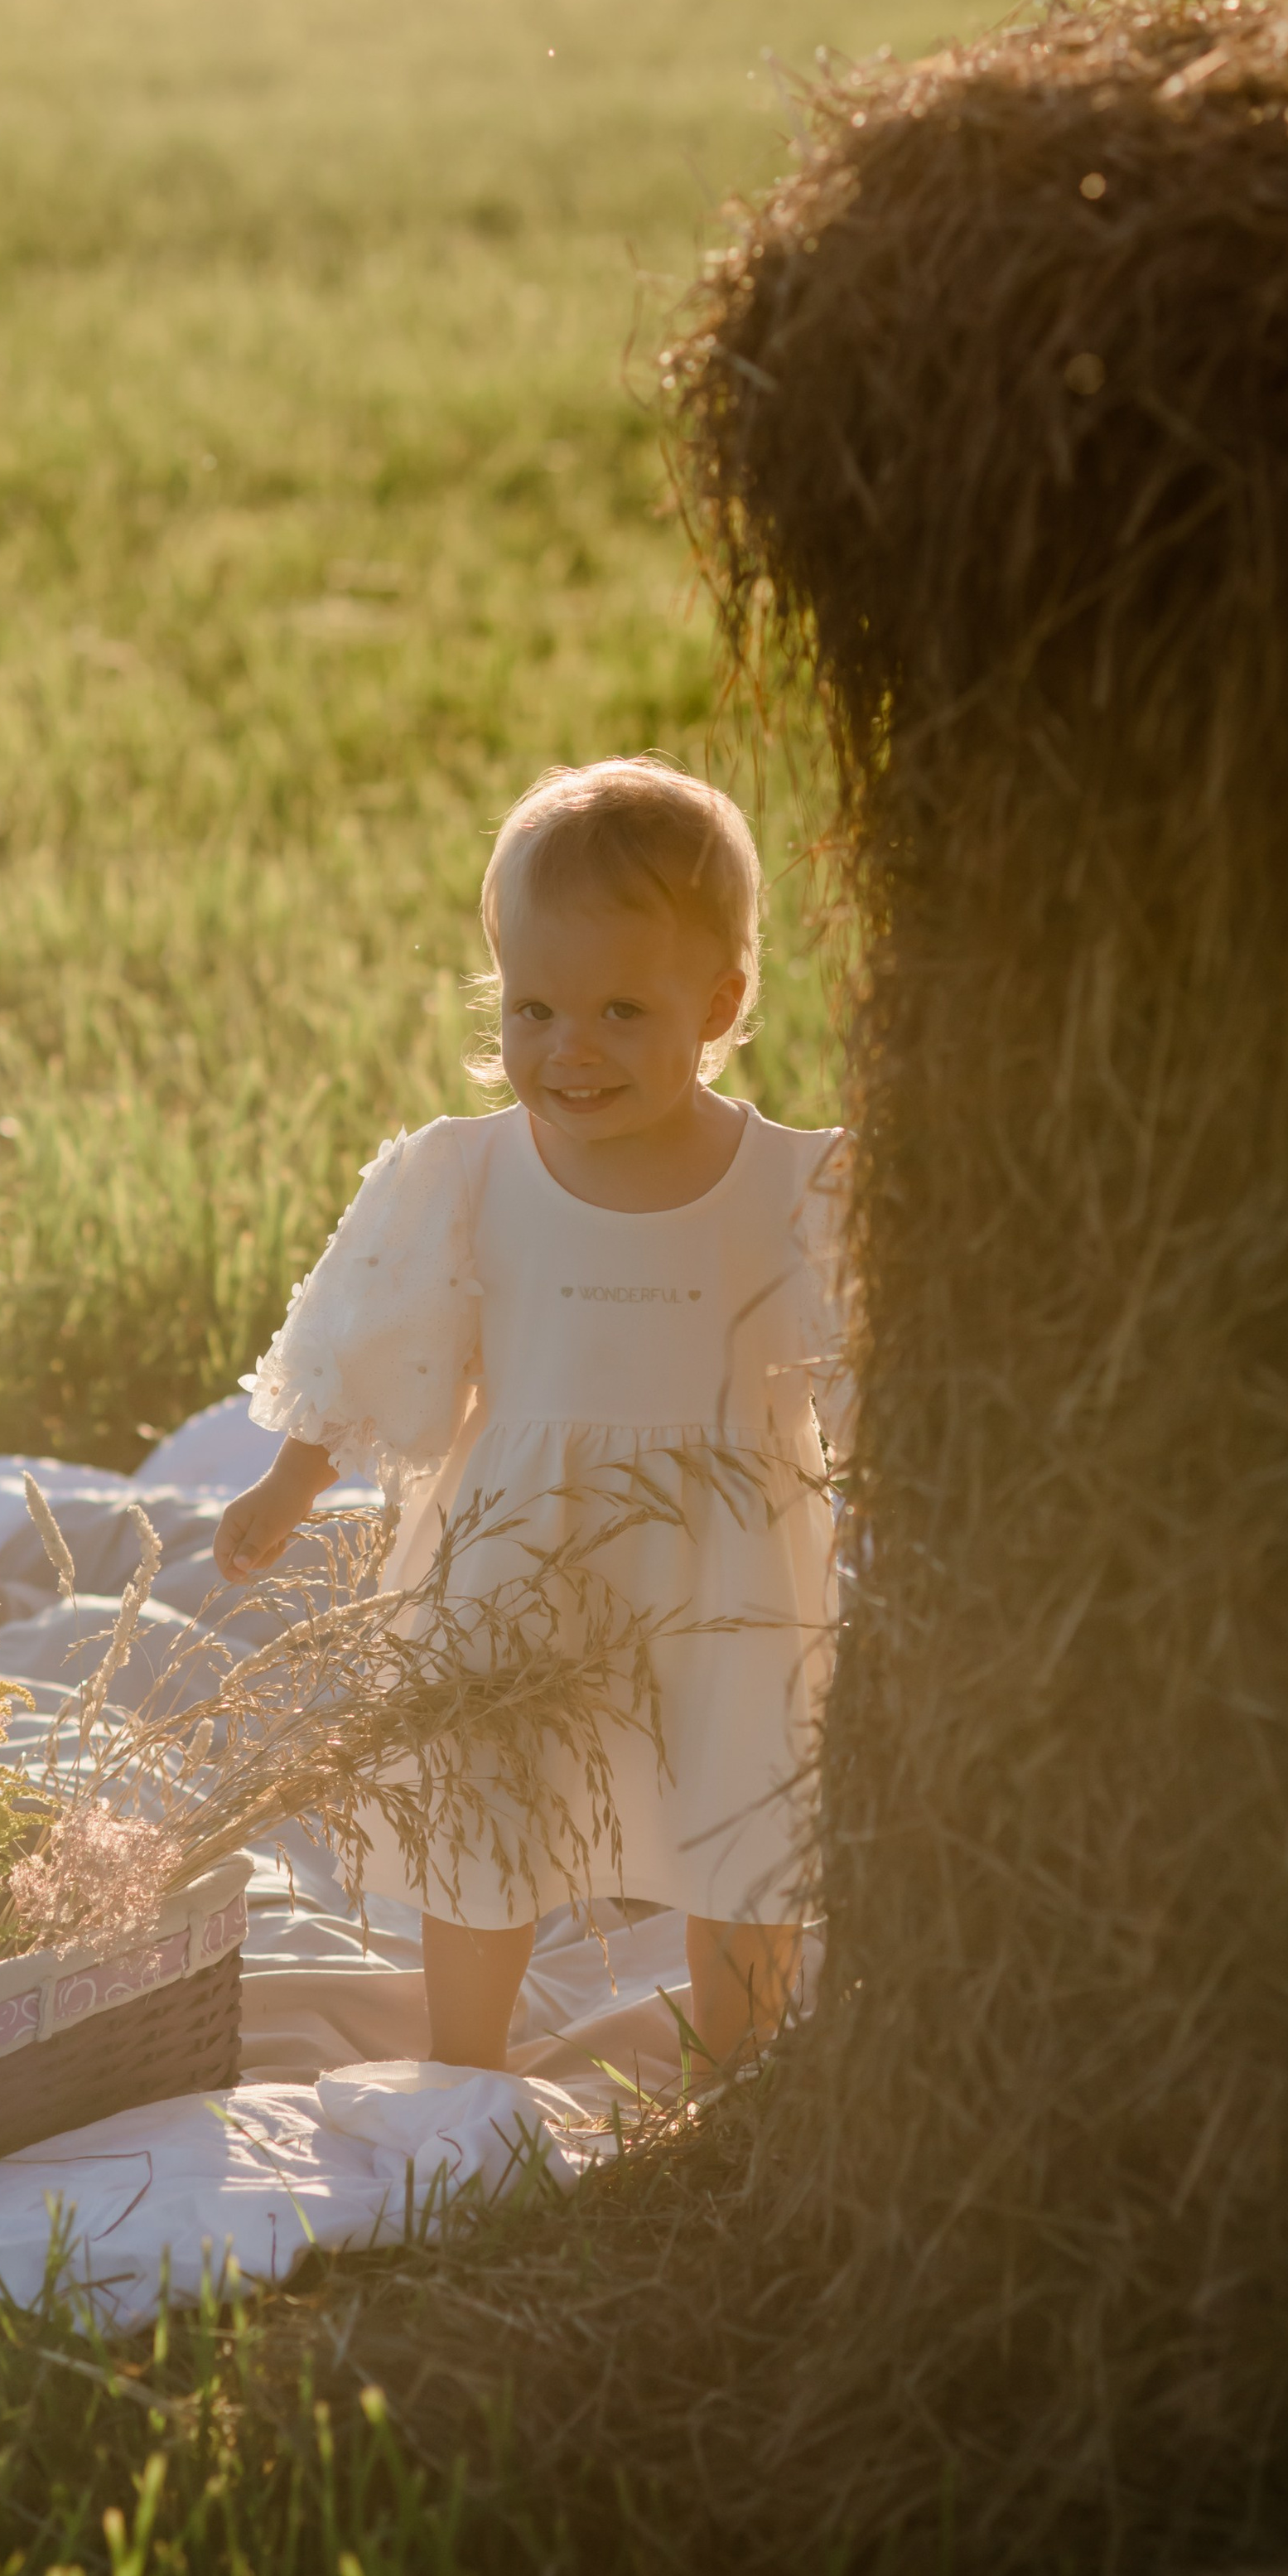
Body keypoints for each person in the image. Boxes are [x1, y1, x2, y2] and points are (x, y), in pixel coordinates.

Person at [211, 757, 847, 2073]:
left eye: (623, 1010)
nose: (571, 1050)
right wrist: (291, 1481)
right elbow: (377, 1342)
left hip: (729, 1570)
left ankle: (739, 2078)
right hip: (516, 1554)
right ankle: (466, 2066)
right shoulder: (467, 1170)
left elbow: (868, 1366)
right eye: (535, 1009)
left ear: (720, 1004)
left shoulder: (794, 1185)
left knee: (743, 1813)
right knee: (487, 1802)